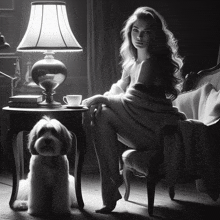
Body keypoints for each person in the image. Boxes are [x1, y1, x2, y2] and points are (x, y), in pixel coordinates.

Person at [82, 6, 187, 213]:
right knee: (102, 113)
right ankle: (112, 186)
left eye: (147, 32)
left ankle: (112, 186)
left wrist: (100, 99)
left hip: (159, 132)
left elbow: (133, 101)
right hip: (140, 126)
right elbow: (118, 90)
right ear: (129, 32)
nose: (140, 36)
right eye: (135, 30)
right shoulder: (132, 63)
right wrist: (102, 100)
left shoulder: (152, 63)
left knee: (103, 112)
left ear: (155, 36)